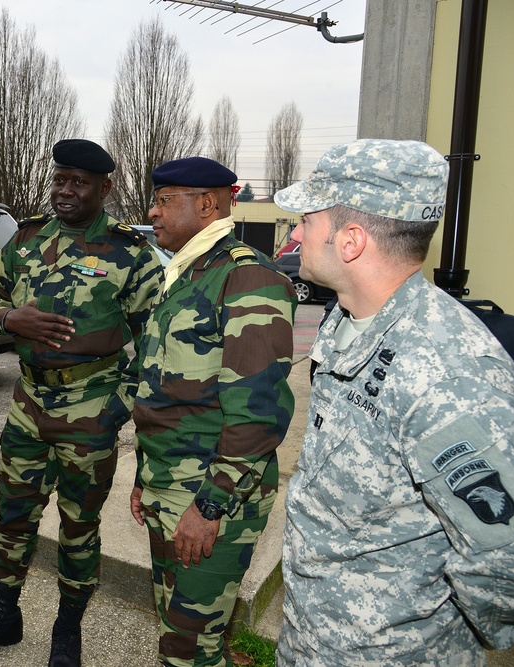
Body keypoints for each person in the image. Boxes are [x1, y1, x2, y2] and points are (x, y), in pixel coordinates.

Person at [273, 138, 514, 666]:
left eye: (307, 219)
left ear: (351, 240)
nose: (295, 233)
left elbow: (504, 558)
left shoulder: (449, 371)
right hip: (314, 637)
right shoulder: (348, 318)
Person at [0, 139, 164, 666]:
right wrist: (7, 319)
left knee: (78, 526)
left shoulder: (129, 252)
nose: (65, 190)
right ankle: (4, 614)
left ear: (105, 188)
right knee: (12, 516)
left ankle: (68, 627)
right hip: (27, 404)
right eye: (60, 179)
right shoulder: (25, 239)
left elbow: (156, 345)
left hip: (90, 408)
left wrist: (117, 408)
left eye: (78, 182)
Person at [129, 157, 297, 667]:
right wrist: (144, 477)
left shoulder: (246, 277)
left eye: (163, 200)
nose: (152, 212)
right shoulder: (186, 271)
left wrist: (210, 508)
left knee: (187, 648)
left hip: (209, 497)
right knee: (178, 623)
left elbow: (256, 416)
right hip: (169, 483)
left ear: (206, 204)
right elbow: (164, 392)